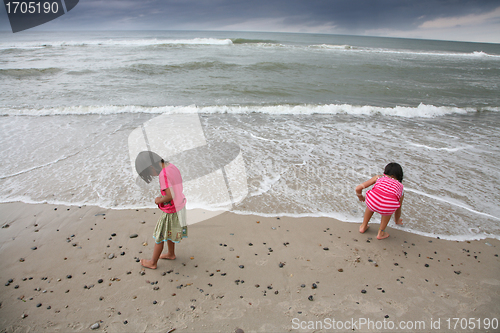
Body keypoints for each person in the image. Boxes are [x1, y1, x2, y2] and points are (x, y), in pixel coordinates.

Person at [141, 159, 187, 269]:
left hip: (171, 210)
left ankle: (153, 262)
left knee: (159, 236)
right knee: (169, 231)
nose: (154, 176)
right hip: (180, 205)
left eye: (150, 173)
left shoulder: (163, 175)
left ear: (151, 167)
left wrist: (159, 200)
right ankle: (171, 254)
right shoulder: (171, 166)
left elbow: (170, 195)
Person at [355, 162, 404, 240]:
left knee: (373, 201)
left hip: (372, 202)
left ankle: (363, 226)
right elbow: (398, 206)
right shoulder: (401, 187)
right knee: (389, 204)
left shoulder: (378, 177)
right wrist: (397, 220)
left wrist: (361, 197)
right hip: (387, 207)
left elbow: (358, 188)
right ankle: (381, 233)